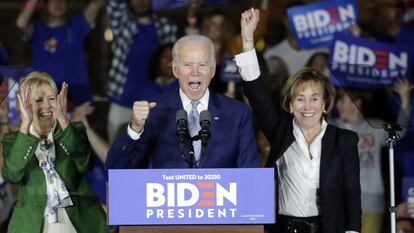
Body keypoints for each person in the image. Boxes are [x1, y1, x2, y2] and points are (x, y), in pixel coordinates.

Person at [236, 9, 361, 233]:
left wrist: (353, 231)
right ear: (290, 105)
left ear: (325, 105)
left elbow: (352, 194)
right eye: (300, 99)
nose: (307, 106)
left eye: (314, 99)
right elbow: (255, 91)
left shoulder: (345, 140)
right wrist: (247, 39)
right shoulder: (280, 130)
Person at [106, 35, 261, 169]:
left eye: (202, 65)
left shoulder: (237, 113)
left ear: (212, 70)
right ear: (175, 70)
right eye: (187, 65)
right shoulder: (155, 110)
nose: (195, 72)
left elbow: (250, 174)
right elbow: (116, 168)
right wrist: (135, 128)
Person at [1, 72, 108, 233]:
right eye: (38, 100)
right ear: (25, 105)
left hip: (76, 221)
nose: (46, 106)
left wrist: (64, 121)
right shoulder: (14, 139)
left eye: (51, 98)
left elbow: (85, 164)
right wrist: (25, 126)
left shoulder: (73, 131)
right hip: (34, 224)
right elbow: (12, 175)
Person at [331, 81, 411, 233]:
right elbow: (315, 122)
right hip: (342, 200)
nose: (338, 105)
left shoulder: (375, 127)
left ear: (357, 103)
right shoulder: (335, 127)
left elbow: (399, 132)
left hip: (373, 200)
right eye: (337, 101)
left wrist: (405, 99)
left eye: (342, 100)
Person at [106, 0, 177, 143]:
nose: (140, 2)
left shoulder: (166, 27)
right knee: (117, 152)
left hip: (153, 103)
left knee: (152, 152)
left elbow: (172, 62)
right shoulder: (122, 24)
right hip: (122, 99)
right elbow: (113, 5)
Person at [16, 0, 104, 106]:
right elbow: (21, 23)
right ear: (45, 5)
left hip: (78, 90)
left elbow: (95, 4)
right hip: (45, 91)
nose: (58, 3)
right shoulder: (37, 29)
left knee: (80, 122)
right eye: (53, 1)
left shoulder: (76, 25)